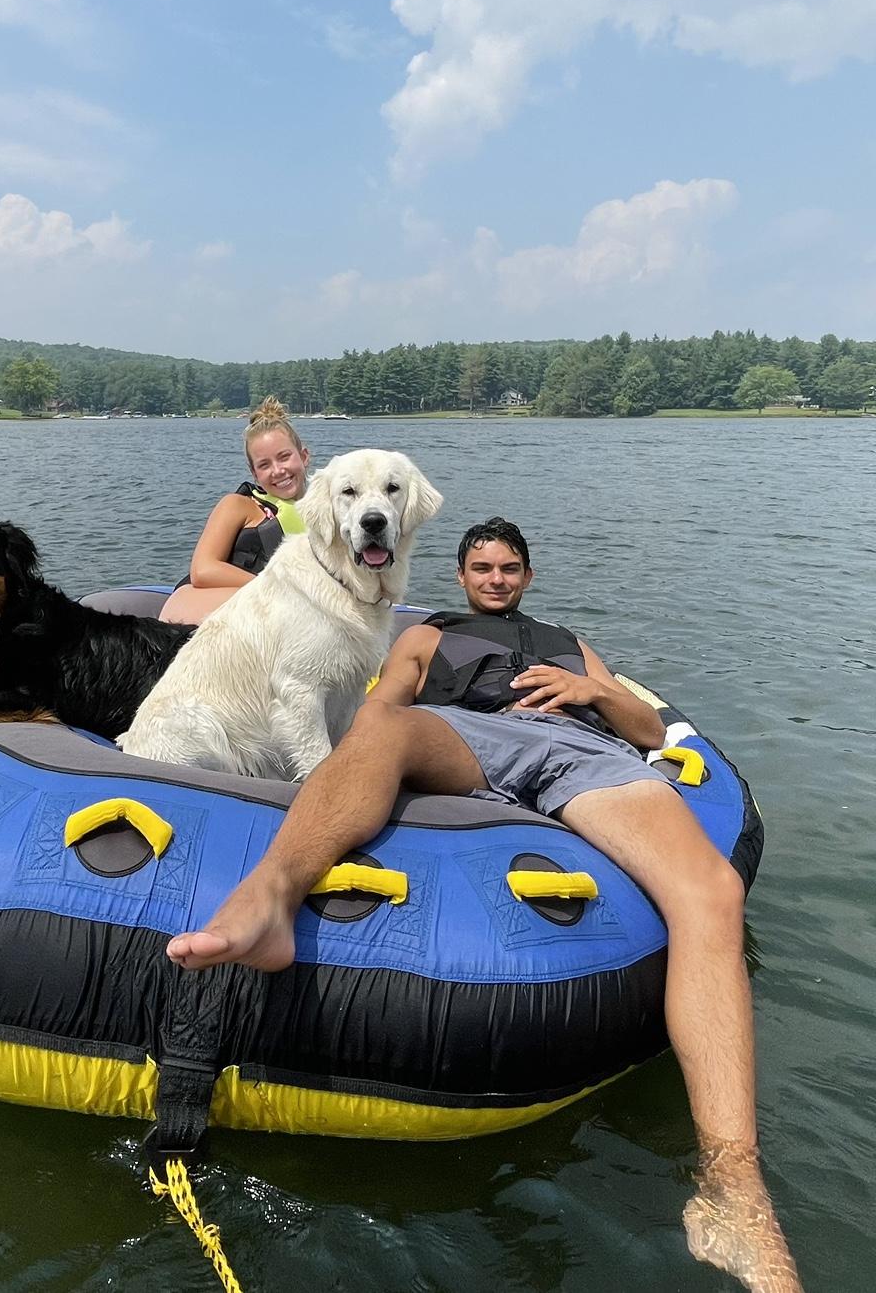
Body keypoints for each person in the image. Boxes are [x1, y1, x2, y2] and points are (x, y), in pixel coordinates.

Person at [167, 517, 802, 1293]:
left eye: (508, 569)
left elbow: (647, 732)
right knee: (391, 729)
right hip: (468, 738)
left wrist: (592, 690)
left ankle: (734, 1184)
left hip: (583, 750)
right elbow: (376, 716)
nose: (495, 579)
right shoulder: (428, 636)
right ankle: (270, 895)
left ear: (527, 577)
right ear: (462, 576)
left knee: (712, 890)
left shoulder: (568, 643)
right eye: (482, 568)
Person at [159, 397, 312, 626]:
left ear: (304, 456)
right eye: (264, 465)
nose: (278, 471)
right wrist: (274, 586)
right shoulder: (239, 505)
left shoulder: (324, 514)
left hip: (281, 617)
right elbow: (203, 570)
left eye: (284, 457)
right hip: (202, 608)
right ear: (254, 474)